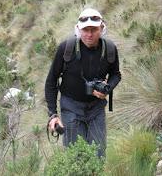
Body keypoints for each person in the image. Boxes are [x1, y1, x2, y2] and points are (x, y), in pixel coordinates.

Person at [45, 8, 121, 157]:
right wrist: (53, 115)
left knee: (98, 155)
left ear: (102, 29)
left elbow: (116, 74)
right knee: (76, 157)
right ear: (78, 29)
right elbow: (51, 81)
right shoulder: (66, 49)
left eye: (94, 29)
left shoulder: (110, 49)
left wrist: (107, 88)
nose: (89, 34)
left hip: (96, 109)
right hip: (70, 108)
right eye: (85, 29)